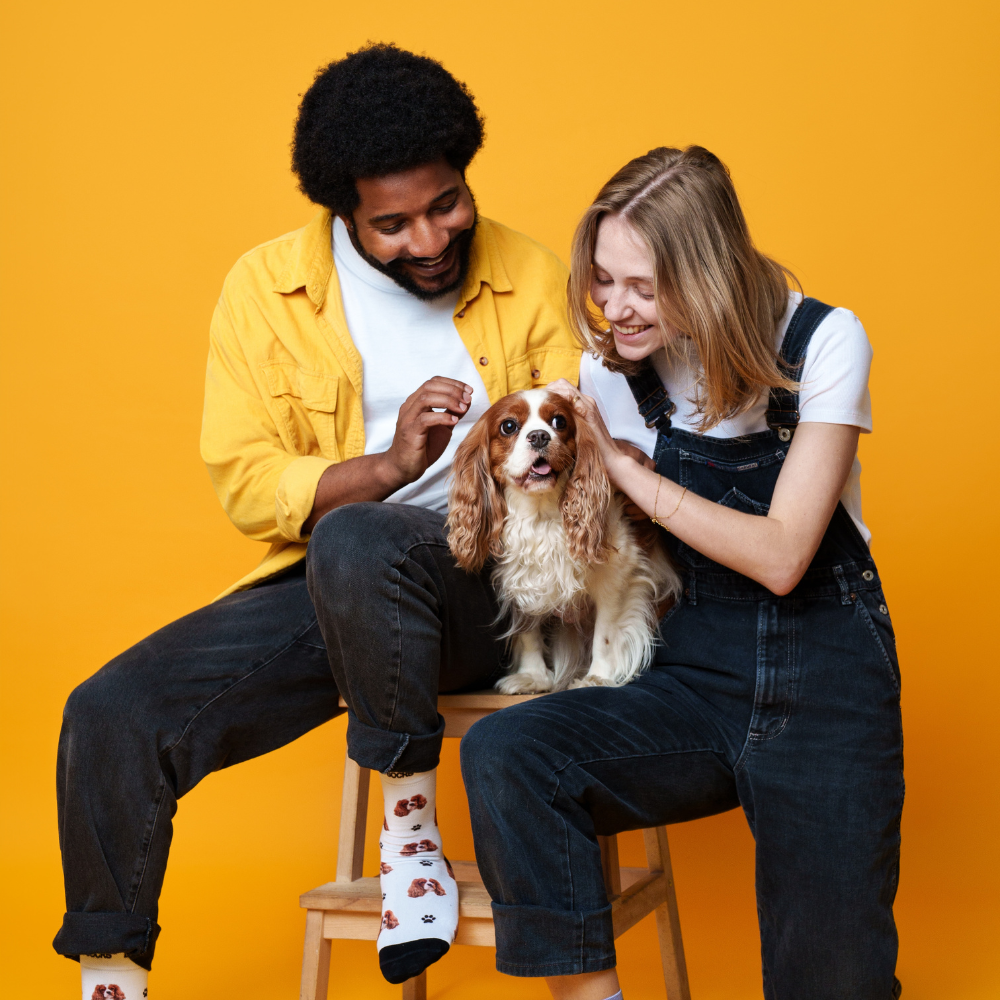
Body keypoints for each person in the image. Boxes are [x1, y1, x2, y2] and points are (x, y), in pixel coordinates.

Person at [54, 43, 581, 996]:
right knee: (110, 712)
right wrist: (387, 467)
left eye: (447, 204)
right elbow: (247, 480)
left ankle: (409, 839)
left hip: (493, 586)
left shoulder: (534, 277)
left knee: (357, 533)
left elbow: (586, 455)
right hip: (333, 586)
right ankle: (109, 980)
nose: (429, 239)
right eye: (393, 224)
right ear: (343, 212)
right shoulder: (265, 292)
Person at [460, 146, 903, 1000]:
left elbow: (783, 556)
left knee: (832, 982)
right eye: (603, 280)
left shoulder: (822, 342)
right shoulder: (611, 371)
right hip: (693, 672)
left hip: (826, 682)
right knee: (511, 753)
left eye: (643, 287)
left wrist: (628, 474)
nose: (613, 309)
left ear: (709, 273)